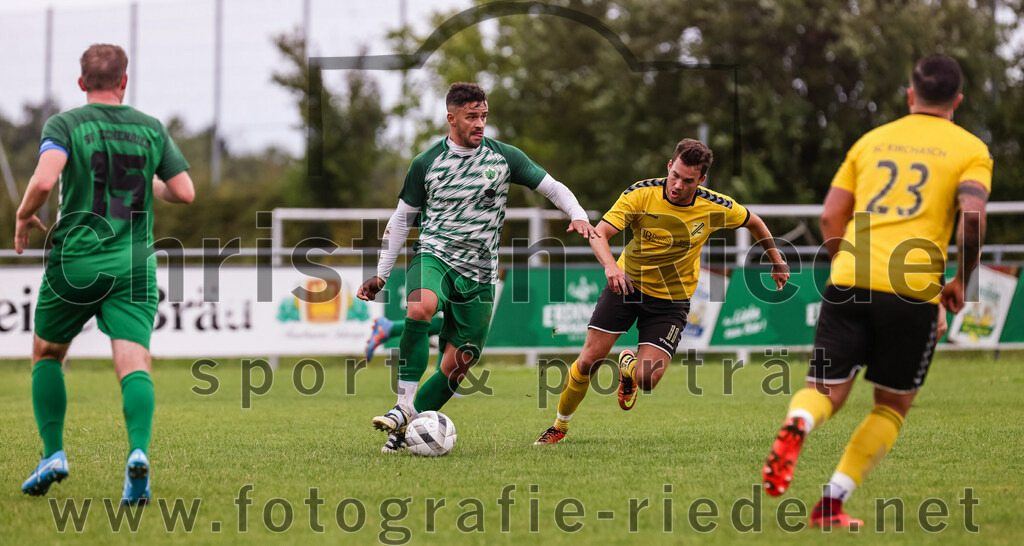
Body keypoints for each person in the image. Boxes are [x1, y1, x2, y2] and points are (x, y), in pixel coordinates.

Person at [761, 54, 991, 528]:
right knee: (891, 405)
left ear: (910, 95)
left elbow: (829, 217)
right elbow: (971, 222)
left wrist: (845, 261)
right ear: (958, 101)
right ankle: (831, 502)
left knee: (823, 390)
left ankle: (799, 423)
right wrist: (961, 280)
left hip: (848, 280)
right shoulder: (971, 149)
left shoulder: (870, 141)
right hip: (912, 290)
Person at [356, 82, 599, 452]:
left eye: (484, 116)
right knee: (421, 306)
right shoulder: (426, 163)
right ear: (451, 118)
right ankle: (403, 405)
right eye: (472, 117)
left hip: (481, 272)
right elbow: (402, 221)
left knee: (457, 365)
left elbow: (553, 188)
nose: (480, 124)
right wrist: (381, 274)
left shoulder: (504, 158)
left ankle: (402, 433)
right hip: (434, 254)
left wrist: (578, 215)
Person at [15, 44, 195, 504]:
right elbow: (184, 191)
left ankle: (53, 453)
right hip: (134, 264)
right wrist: (146, 184)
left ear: (81, 84)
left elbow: (42, 180)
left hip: (76, 260)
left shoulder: (66, 124)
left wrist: (23, 215)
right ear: (124, 81)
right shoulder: (151, 127)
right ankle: (137, 453)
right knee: (134, 363)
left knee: (48, 354)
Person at [535, 138, 790, 444]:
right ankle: (559, 426)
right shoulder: (640, 194)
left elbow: (755, 223)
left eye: (688, 181)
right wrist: (611, 266)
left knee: (648, 380)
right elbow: (600, 233)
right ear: (669, 166)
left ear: (701, 180)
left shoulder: (714, 206)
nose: (678, 185)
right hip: (626, 285)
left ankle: (628, 367)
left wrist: (776, 261)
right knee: (590, 359)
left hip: (672, 301)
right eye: (675, 176)